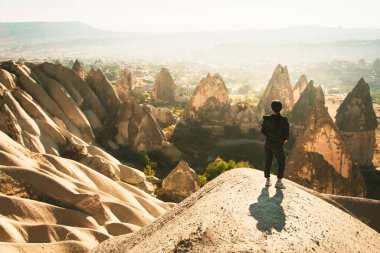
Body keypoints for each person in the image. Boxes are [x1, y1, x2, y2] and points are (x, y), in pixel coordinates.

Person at [261, 100, 289, 189]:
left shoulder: (267, 119)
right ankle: (279, 182)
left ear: (271, 108)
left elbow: (263, 131)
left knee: (268, 161)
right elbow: (286, 132)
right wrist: (284, 139)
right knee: (281, 162)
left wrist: (270, 135)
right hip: (278, 145)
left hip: (268, 143)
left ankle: (267, 181)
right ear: (280, 109)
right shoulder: (284, 120)